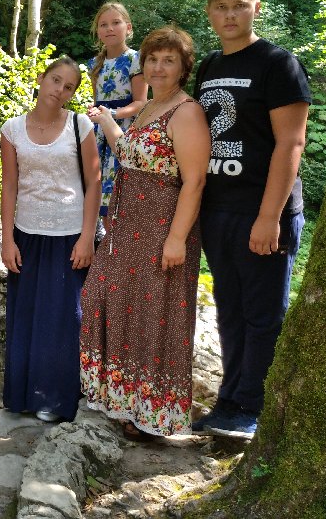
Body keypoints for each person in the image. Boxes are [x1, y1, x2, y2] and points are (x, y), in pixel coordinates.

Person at [192, 0, 311, 440]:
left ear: (256, 8)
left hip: (264, 211)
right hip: (217, 209)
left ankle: (253, 409)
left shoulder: (278, 64)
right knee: (230, 310)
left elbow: (291, 143)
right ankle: (229, 400)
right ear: (210, 13)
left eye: (239, 6)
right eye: (221, 7)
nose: (230, 15)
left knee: (263, 315)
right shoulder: (209, 67)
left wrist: (269, 217)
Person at [81, 26, 210, 440]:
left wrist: (176, 239)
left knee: (154, 318)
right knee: (107, 301)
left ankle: (151, 414)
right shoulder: (150, 107)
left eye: (169, 60)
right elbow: (129, 154)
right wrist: (107, 122)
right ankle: (122, 400)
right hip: (127, 225)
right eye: (152, 59)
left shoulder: (187, 112)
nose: (158, 67)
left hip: (162, 227)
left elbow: (194, 181)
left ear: (184, 67)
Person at [1, 57, 101, 423]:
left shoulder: (79, 125)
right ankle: (23, 396)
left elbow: (94, 182)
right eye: (55, 80)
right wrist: (7, 239)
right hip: (27, 235)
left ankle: (57, 400)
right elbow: (9, 186)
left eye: (68, 86)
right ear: (42, 78)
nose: (59, 90)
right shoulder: (12, 129)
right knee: (26, 317)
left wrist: (87, 236)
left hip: (69, 235)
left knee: (64, 319)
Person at [86, 3, 148, 230]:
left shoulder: (135, 60)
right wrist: (93, 112)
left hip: (124, 131)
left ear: (128, 28)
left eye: (116, 23)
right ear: (98, 31)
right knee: (97, 190)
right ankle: (100, 240)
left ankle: (119, 239)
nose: (109, 28)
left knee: (117, 191)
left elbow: (140, 103)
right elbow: (97, 101)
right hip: (99, 133)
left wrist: (111, 115)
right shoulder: (95, 64)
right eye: (103, 25)